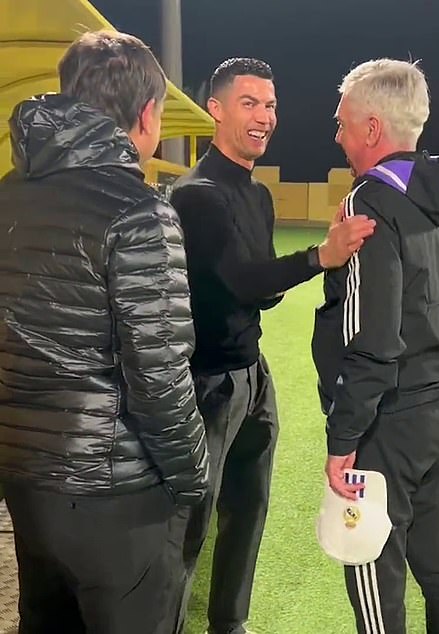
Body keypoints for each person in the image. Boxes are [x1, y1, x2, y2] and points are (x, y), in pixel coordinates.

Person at [0, 30, 209, 634]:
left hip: (27, 484)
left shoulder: (8, 197)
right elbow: (159, 374)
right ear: (147, 116)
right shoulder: (138, 209)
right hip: (116, 495)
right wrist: (193, 479)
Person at [169, 57, 375, 634]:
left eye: (271, 105)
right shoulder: (197, 195)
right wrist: (320, 258)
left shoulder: (256, 197)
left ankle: (228, 623)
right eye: (250, 103)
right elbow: (241, 280)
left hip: (251, 374)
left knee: (248, 508)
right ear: (216, 109)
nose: (265, 117)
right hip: (204, 382)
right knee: (193, 520)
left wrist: (275, 278)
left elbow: (259, 293)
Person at [312, 58, 439, 634]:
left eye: (342, 123)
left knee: (372, 568)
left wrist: (344, 436)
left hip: (389, 414)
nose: (337, 135)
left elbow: (373, 339)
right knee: (438, 563)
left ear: (372, 129)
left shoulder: (371, 203)